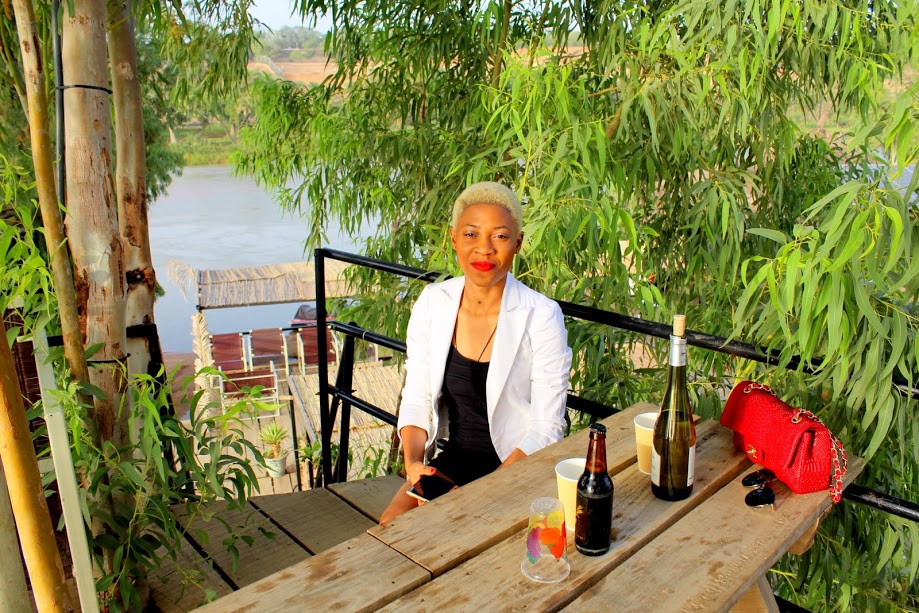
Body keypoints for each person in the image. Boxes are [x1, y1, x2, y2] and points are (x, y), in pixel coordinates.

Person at [380, 181, 572, 524]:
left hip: (517, 465)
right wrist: (413, 466)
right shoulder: (433, 304)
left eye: (498, 236)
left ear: (517, 243)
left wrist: (483, 494)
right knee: (391, 528)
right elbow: (418, 397)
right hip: (454, 460)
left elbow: (547, 427)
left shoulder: (541, 314)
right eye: (471, 234)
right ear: (454, 239)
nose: (484, 249)